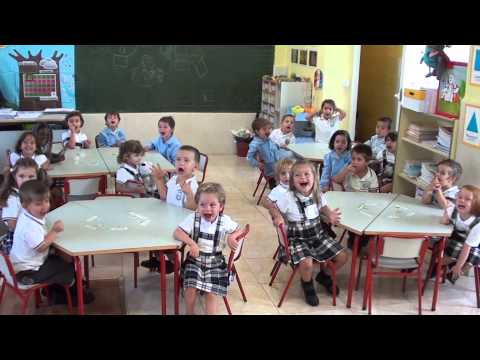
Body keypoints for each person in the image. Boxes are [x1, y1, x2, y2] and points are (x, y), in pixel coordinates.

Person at [270, 160, 348, 306]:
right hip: (297, 239)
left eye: (307, 174)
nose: (303, 178)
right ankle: (307, 285)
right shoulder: (288, 197)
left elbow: (323, 205)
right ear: (292, 180)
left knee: (343, 256)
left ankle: (325, 276)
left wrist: (329, 213)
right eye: (298, 175)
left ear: (314, 177)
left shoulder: (316, 193)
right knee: (307, 263)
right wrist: (277, 215)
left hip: (318, 236)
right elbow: (274, 206)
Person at [9, 180, 94, 305]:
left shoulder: (26, 215)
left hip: (22, 266)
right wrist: (54, 231)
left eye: (46, 201)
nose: (44, 206)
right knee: (67, 265)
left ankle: (58, 290)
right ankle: (66, 296)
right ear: (25, 205)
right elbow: (41, 247)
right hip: (27, 272)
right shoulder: (30, 226)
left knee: (64, 258)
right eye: (38, 204)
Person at [174, 182, 246, 314]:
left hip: (216, 261)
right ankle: (189, 312)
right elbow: (177, 232)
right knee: (190, 287)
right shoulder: (193, 218)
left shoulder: (224, 221)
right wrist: (192, 243)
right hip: (195, 260)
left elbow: (242, 230)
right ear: (197, 206)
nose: (207, 209)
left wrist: (232, 236)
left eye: (212, 205)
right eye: (202, 205)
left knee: (211, 293)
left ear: (221, 206)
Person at [141, 145, 201, 272]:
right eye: (178, 159)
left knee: (158, 233)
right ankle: (160, 259)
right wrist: (158, 179)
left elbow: (191, 209)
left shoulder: (193, 185)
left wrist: (189, 194)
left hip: (181, 225)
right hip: (169, 218)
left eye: (186, 160)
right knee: (149, 227)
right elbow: (164, 196)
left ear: (195, 166)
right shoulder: (174, 179)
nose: (181, 163)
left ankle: (173, 262)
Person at [0, 159, 43, 254]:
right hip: (17, 242)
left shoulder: (33, 193)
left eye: (31, 176)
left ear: (37, 177)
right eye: (21, 176)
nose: (26, 180)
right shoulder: (12, 198)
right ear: (15, 177)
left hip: (32, 234)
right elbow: (12, 226)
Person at [441, 185, 480, 284]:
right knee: (450, 249)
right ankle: (445, 265)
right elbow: (444, 221)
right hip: (458, 238)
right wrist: (446, 215)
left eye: (467, 199)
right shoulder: (452, 210)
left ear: (475, 204)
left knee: (474, 256)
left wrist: (458, 266)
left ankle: (455, 272)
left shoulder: (477, 224)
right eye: (459, 197)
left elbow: (467, 246)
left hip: (474, 243)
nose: (462, 200)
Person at [247, 117, 286, 189]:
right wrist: (258, 164)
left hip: (277, 162)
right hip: (271, 169)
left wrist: (279, 146)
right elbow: (249, 158)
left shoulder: (267, 139)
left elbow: (273, 148)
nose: (268, 131)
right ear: (257, 131)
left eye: (269, 128)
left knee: (292, 158)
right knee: (293, 171)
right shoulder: (255, 144)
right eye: (264, 129)